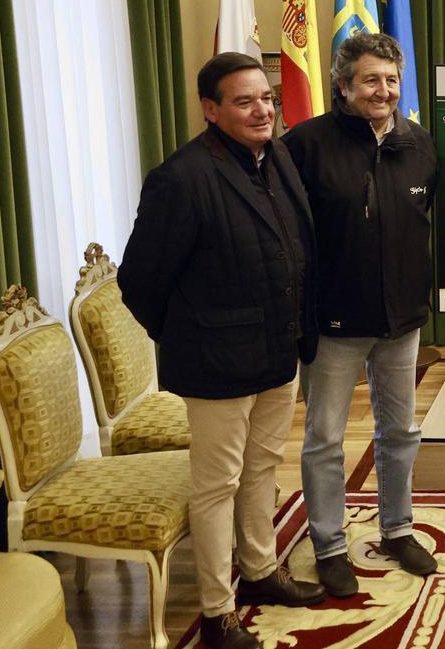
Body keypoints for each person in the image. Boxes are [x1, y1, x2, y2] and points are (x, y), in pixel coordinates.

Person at [119, 52, 325, 649]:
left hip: (278, 349)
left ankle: (259, 571)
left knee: (262, 468)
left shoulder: (276, 155)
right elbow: (140, 281)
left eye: (267, 98)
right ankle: (217, 613)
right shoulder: (180, 179)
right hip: (216, 363)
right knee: (217, 487)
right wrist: (192, 334)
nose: (262, 110)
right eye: (244, 101)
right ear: (211, 110)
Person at [284, 33, 438, 598]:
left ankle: (397, 530)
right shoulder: (304, 146)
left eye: (392, 80)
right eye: (371, 80)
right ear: (343, 85)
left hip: (401, 320)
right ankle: (329, 546)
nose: (384, 91)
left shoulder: (419, 144)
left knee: (400, 430)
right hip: (333, 321)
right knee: (325, 437)